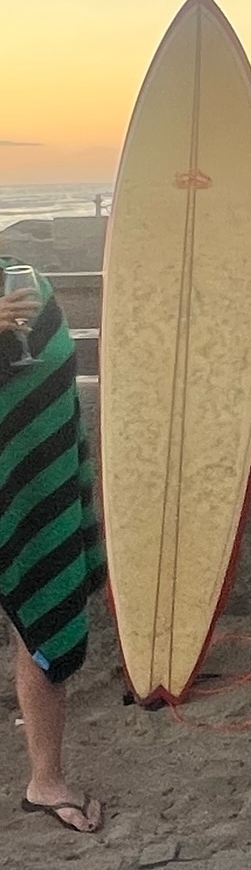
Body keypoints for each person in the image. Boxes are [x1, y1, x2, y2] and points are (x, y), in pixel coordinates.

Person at [1, 260, 107, 833]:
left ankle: (46, 780)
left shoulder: (21, 280)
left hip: (32, 489)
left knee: (39, 617)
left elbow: (49, 388)